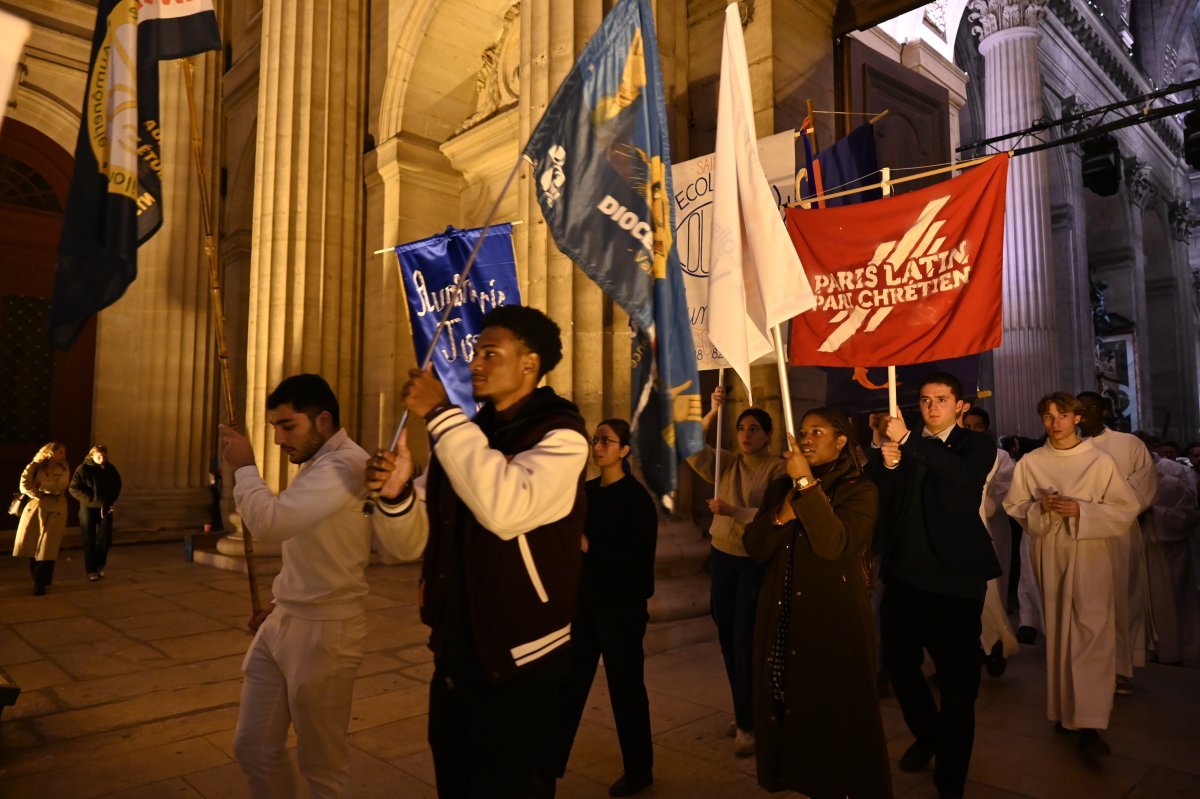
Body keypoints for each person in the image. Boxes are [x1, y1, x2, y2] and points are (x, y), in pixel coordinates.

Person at [365, 305, 589, 799]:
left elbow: (505, 508)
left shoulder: (561, 435)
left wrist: (441, 415)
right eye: (474, 352)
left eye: (490, 353)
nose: (474, 365)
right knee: (457, 782)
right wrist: (398, 494)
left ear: (530, 364)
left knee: (509, 786)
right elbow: (409, 546)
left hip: (522, 660)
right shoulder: (466, 438)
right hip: (456, 654)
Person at [220, 373, 399, 798]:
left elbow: (271, 523)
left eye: (287, 426)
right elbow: (307, 545)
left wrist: (245, 465)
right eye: (274, 429)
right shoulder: (319, 463)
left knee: (323, 765)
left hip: (326, 632)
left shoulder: (343, 465)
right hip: (286, 619)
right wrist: (282, 604)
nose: (279, 440)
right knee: (253, 747)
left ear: (322, 421)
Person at [743, 408, 892, 799]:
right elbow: (755, 546)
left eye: (817, 431)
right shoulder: (782, 487)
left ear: (841, 440)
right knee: (791, 707)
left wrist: (807, 485)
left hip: (831, 615)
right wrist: (780, 516)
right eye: (803, 431)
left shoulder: (860, 489)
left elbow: (835, 545)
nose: (806, 438)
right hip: (784, 610)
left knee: (833, 711)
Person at [865, 372, 1000, 799]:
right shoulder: (901, 446)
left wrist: (907, 444)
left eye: (942, 399)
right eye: (924, 400)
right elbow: (880, 497)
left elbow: (960, 478)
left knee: (959, 686)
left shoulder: (976, 444)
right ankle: (928, 734)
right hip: (905, 575)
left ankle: (951, 780)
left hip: (956, 580)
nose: (932, 407)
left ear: (959, 406)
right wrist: (886, 464)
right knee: (900, 665)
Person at [1003, 392, 1140, 757]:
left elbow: (1126, 508)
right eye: (1047, 416)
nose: (1055, 422)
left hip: (1093, 552)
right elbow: (1015, 507)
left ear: (1076, 418)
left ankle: (1091, 723)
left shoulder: (1100, 460)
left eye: (1062, 415)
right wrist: (1040, 507)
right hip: (1051, 551)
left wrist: (1083, 511)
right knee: (1061, 632)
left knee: (1092, 631)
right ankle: (1066, 712)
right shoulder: (1032, 462)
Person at [535, 418, 658, 798]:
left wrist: (591, 548)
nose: (598, 446)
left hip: (621, 609)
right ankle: (546, 771)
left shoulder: (637, 500)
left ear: (624, 450)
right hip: (584, 604)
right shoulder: (585, 492)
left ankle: (639, 770)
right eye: (596, 439)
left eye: (607, 440)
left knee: (625, 689)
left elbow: (638, 563)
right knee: (568, 686)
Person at [686, 387, 787, 757]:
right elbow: (688, 445)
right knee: (728, 638)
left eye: (755, 428)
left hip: (752, 561)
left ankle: (751, 722)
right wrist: (713, 411)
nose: (746, 434)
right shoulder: (726, 462)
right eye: (742, 427)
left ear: (767, 435)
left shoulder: (777, 467)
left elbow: (774, 518)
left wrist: (734, 511)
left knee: (746, 639)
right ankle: (745, 711)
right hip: (722, 556)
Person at [1077, 391, 1157, 694]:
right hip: (1080, 535)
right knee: (1086, 602)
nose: (1084, 414)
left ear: (1106, 412)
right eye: (1079, 409)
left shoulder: (1128, 445)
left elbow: (1144, 486)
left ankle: (1120, 667)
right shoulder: (1066, 448)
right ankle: (1088, 665)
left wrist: (1106, 507)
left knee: (1122, 599)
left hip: (1119, 532)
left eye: (1091, 408)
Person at [961, 407, 1018, 676]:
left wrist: (985, 503)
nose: (972, 431)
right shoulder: (952, 453)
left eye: (977, 427)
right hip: (957, 532)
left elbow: (1009, 492)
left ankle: (995, 644)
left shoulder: (1001, 457)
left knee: (990, 592)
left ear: (986, 429)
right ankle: (967, 654)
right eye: (967, 426)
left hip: (990, 531)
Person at [12, 442, 71, 596]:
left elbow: (61, 486)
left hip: (56, 509)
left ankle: (40, 583)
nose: (63, 455)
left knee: (47, 547)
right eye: (60, 452)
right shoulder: (35, 465)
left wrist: (40, 484)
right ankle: (39, 580)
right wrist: (38, 493)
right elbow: (23, 485)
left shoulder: (64, 467)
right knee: (33, 546)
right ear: (50, 452)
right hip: (35, 508)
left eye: (64, 452)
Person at [69, 444, 122, 581]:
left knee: (105, 538)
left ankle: (100, 565)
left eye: (104, 455)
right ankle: (91, 569)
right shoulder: (83, 469)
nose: (102, 458)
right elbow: (74, 488)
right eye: (99, 455)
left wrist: (110, 500)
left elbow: (117, 485)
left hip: (105, 507)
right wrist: (90, 499)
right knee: (89, 539)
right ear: (92, 455)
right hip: (88, 508)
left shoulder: (110, 469)